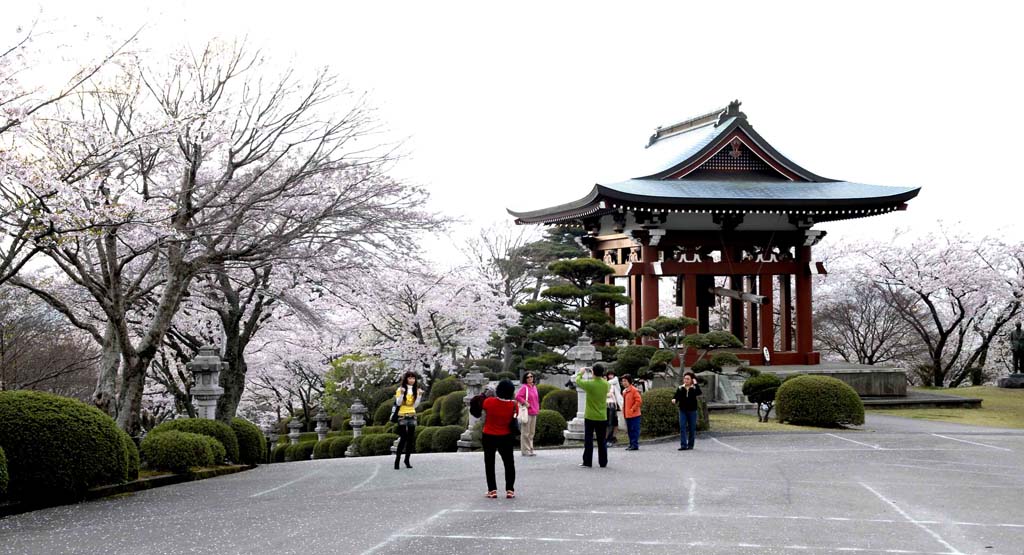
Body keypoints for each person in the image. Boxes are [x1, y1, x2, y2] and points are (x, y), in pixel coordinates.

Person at [482, 379, 518, 499]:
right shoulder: (513, 405)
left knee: (489, 463)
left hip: (489, 435)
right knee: (509, 463)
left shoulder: (489, 402)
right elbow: (515, 416)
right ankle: (510, 489)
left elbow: (481, 404)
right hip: (506, 436)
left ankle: (492, 490)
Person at [573, 362, 611, 468]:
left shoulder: (590, 384)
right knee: (601, 440)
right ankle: (603, 462)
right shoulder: (606, 384)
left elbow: (578, 381)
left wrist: (581, 373)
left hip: (590, 416)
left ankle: (587, 461)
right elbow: (607, 386)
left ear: (593, 372)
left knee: (588, 439)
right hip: (602, 416)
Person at [393, 371, 424, 470]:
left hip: (412, 415)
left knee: (410, 439)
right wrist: (402, 394)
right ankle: (397, 460)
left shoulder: (416, 390)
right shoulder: (400, 389)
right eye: (410, 378)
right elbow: (398, 403)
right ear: (406, 379)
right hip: (402, 415)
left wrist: (419, 396)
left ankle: (407, 460)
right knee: (403, 438)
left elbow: (415, 405)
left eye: (413, 378)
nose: (412, 380)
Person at [672, 372, 702, 451]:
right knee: (682, 427)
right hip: (683, 410)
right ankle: (683, 445)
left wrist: (696, 384)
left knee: (692, 428)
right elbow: (676, 396)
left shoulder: (694, 388)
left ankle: (690, 445)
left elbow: (699, 392)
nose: (686, 380)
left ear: (692, 380)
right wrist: (674, 399)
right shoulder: (680, 388)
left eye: (688, 379)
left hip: (692, 411)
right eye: (685, 379)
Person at [515, 372, 540, 456]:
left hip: (534, 412)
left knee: (532, 432)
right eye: (528, 377)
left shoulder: (534, 387)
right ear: (525, 379)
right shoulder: (524, 387)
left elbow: (536, 400)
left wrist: (537, 409)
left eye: (531, 376)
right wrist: (525, 402)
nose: (530, 378)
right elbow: (517, 396)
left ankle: (530, 449)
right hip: (527, 412)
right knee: (525, 432)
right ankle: (525, 450)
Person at [621, 374, 643, 451]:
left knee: (634, 430)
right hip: (627, 414)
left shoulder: (634, 390)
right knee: (630, 430)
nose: (623, 383)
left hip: (634, 414)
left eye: (625, 381)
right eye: (623, 381)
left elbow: (639, 401)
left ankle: (634, 445)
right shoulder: (625, 391)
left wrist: (632, 409)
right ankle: (631, 444)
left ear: (629, 381)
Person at [605, 370, 624, 445]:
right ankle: (609, 438)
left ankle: (611, 437)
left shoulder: (614, 380)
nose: (610, 376)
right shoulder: (609, 383)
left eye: (611, 374)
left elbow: (611, 394)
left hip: (614, 404)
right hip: (610, 404)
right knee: (611, 422)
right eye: (609, 375)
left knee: (613, 422)